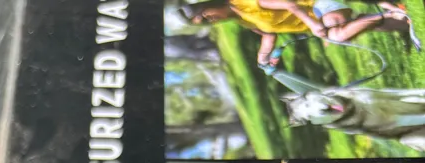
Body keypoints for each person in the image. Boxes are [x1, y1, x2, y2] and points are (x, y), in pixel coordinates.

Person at [177, 0, 419, 64]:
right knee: (342, 32)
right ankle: (394, 20)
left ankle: (387, 15)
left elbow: (290, 4)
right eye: (205, 23)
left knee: (336, 35)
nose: (210, 20)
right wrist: (263, 59)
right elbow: (269, 35)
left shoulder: (244, 2)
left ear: (208, 5)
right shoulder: (241, 20)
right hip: (320, 19)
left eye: (206, 15)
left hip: (319, 5)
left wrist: (312, 24)